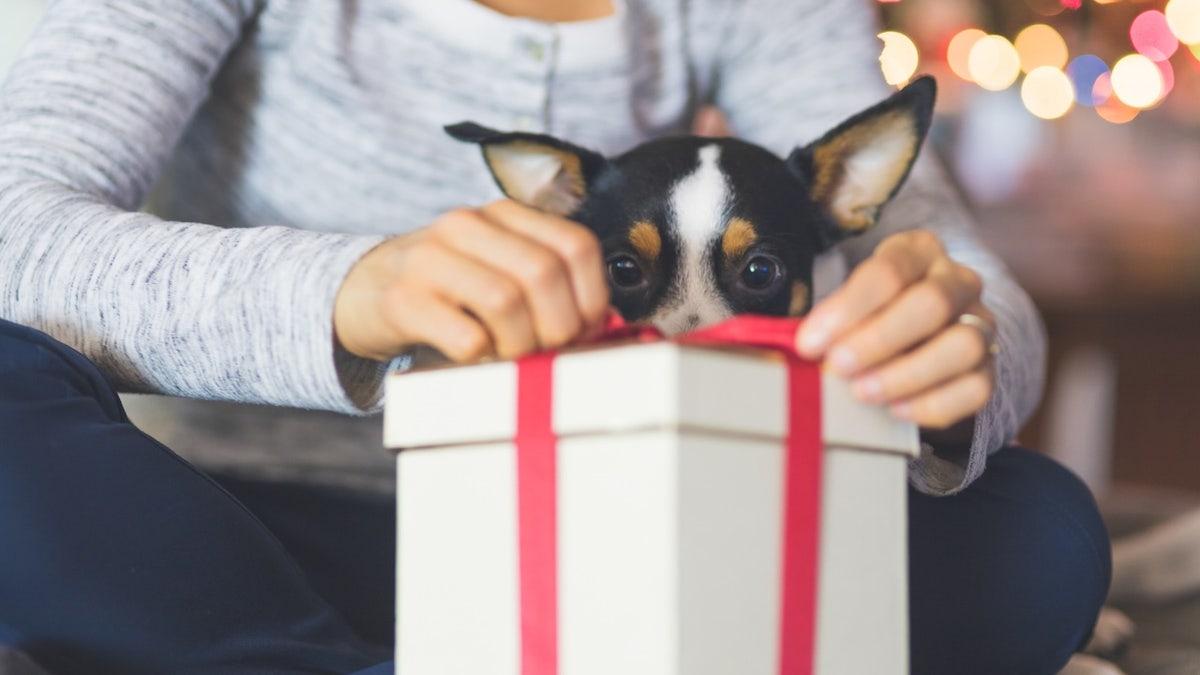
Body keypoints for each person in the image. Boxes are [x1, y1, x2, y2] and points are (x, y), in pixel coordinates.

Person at [0, 0, 1109, 673]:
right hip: (234, 531)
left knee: (1036, 530)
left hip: (628, 542)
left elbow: (967, 279)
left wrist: (956, 348)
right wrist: (350, 289)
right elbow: (13, 228)